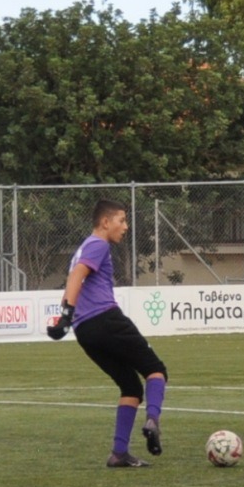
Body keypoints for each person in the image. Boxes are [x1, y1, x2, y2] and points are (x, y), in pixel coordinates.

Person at [47, 199, 168, 468]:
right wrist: (65, 314)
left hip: (85, 330)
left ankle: (119, 453)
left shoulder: (84, 247)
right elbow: (77, 276)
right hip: (106, 319)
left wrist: (67, 317)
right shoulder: (98, 244)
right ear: (105, 222)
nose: (125, 227)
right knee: (156, 371)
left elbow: (74, 279)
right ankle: (153, 420)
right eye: (121, 220)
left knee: (131, 387)